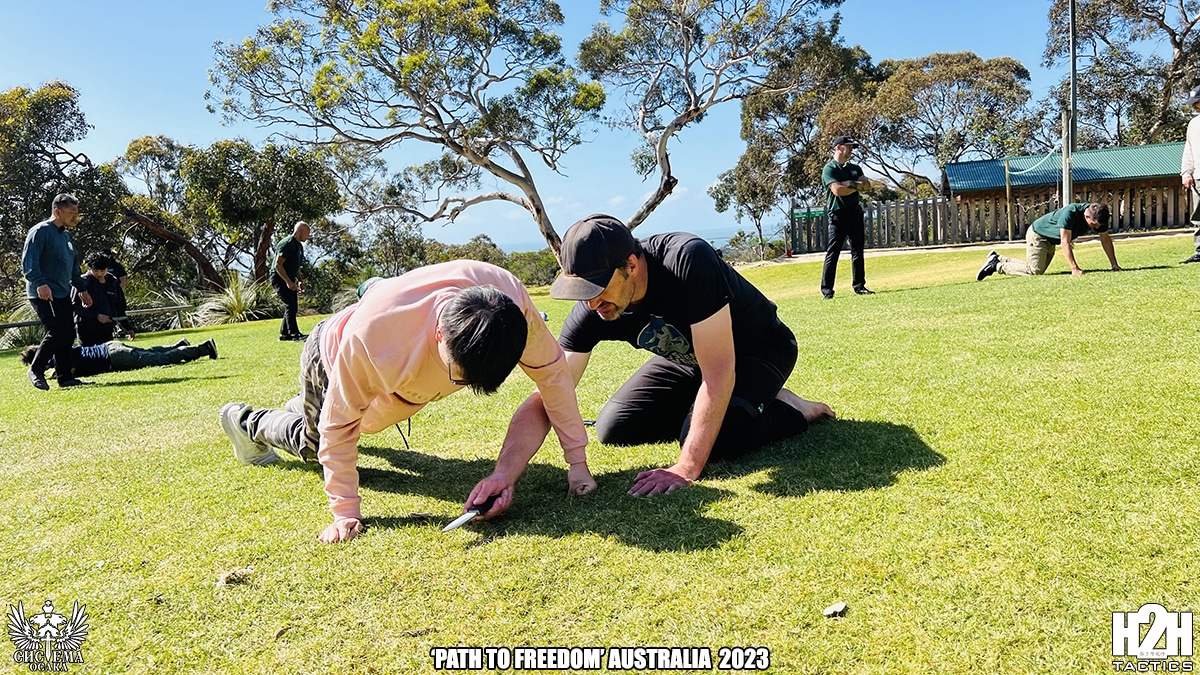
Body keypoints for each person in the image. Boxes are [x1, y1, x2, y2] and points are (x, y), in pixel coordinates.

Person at [218, 260, 597, 544]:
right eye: (460, 375)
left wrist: (577, 464)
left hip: (401, 386)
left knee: (354, 419)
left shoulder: (511, 306)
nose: (464, 386)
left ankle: (303, 407)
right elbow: (339, 427)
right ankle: (246, 421)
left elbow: (554, 377)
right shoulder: (374, 341)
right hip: (329, 356)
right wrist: (345, 511)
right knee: (314, 444)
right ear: (439, 334)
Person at [510, 215, 835, 498]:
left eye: (596, 289)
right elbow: (552, 391)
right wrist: (504, 475)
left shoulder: (687, 260)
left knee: (719, 442)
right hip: (689, 359)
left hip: (757, 351)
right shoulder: (593, 308)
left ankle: (793, 407)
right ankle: (722, 407)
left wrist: (685, 467)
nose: (592, 304)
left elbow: (719, 372)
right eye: (582, 292)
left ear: (631, 266)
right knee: (615, 428)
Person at [21, 193, 90, 390]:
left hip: (62, 292)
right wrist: (40, 283)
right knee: (58, 331)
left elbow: (73, 267)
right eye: (71, 212)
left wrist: (82, 289)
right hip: (43, 292)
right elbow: (29, 262)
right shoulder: (40, 231)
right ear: (57, 211)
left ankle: (65, 377)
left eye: (77, 212)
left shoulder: (67, 237)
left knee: (68, 334)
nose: (76, 216)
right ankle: (36, 369)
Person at [976, 202, 1122, 280]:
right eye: (1094, 225)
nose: (1097, 228)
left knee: (1035, 269)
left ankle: (998, 258)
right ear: (1087, 216)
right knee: (1034, 271)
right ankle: (996, 266)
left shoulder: (1100, 217)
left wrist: (1114, 264)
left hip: (1051, 240)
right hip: (1038, 234)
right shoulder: (1070, 213)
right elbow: (1065, 242)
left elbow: (1105, 240)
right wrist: (1074, 268)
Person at [820, 136, 874, 299]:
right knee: (833, 253)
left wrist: (848, 183)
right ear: (838, 147)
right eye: (848, 146)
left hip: (855, 213)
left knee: (858, 251)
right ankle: (827, 290)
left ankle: (859, 286)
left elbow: (867, 186)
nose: (851, 149)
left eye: (852, 147)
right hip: (838, 215)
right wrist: (855, 185)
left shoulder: (855, 168)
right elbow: (837, 191)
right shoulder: (830, 169)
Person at [19, 338, 217, 378]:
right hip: (110, 346)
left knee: (161, 359)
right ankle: (180, 344)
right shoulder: (60, 349)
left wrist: (54, 375)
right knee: (151, 351)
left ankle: (203, 348)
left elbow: (69, 372)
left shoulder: (56, 361)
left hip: (115, 358)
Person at [73, 252, 135, 347]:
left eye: (103, 270)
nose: (99, 273)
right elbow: (74, 306)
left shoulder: (113, 282)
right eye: (96, 270)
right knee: (86, 355)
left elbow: (119, 307)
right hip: (85, 328)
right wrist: (96, 316)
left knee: (107, 354)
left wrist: (128, 328)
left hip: (106, 328)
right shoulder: (82, 283)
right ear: (90, 268)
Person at [272, 221, 310, 341]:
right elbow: (278, 265)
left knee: (292, 305)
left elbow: (296, 266)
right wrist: (288, 281)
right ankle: (294, 334)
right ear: (300, 231)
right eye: (307, 233)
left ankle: (285, 334)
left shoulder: (299, 246)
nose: (308, 236)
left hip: (289, 277)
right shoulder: (287, 243)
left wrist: (300, 281)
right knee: (290, 305)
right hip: (279, 278)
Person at [1180, 85, 1200, 264]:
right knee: (1198, 215)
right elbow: (1189, 150)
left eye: (1197, 102)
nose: (1194, 106)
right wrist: (1186, 172)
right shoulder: (1193, 124)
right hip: (1199, 177)